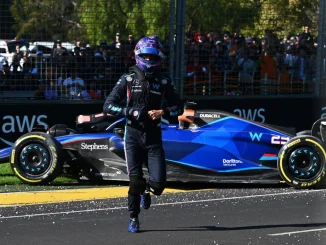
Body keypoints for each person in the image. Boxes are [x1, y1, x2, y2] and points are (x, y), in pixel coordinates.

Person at [103, 35, 182, 233]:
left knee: (159, 184)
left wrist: (163, 112)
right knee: (134, 181)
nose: (149, 60)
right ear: (138, 55)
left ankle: (148, 189)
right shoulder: (128, 79)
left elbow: (179, 107)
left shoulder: (164, 82)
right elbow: (108, 105)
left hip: (154, 137)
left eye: (153, 56)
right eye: (146, 55)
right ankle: (133, 218)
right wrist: (131, 112)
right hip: (133, 136)